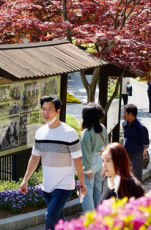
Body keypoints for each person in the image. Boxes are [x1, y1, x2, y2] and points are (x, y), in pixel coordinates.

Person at [19, 96, 87, 230]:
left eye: (49, 109)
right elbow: (34, 158)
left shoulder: (70, 133)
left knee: (49, 219)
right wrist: (25, 180)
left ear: (58, 111)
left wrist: (82, 183)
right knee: (58, 221)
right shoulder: (40, 132)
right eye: (43, 109)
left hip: (64, 185)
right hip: (47, 186)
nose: (45, 113)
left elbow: (77, 160)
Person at [80, 103, 108, 212]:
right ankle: (99, 215)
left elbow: (85, 153)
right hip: (101, 160)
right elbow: (107, 146)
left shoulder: (86, 133)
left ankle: (90, 218)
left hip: (90, 162)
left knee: (86, 191)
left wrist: (87, 169)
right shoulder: (103, 128)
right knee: (98, 190)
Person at [122, 104, 149, 182]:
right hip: (126, 154)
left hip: (136, 155)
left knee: (136, 178)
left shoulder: (141, 127)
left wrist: (144, 153)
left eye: (124, 113)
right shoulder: (124, 124)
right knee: (125, 176)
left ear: (130, 115)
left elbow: (145, 142)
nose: (123, 115)